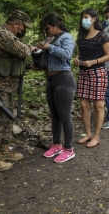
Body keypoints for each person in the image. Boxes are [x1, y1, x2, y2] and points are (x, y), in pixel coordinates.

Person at [0, 10, 36, 171]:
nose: (23, 30)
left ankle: (2, 150)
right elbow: (23, 51)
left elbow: (11, 60)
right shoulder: (1, 34)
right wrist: (33, 47)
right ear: (16, 23)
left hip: (4, 86)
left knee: (6, 119)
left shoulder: (8, 36)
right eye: (23, 27)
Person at [34, 13, 76, 163]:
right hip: (50, 80)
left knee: (65, 116)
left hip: (63, 80)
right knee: (55, 116)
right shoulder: (49, 39)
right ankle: (57, 144)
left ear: (56, 26)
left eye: (48, 28)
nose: (46, 31)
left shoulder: (66, 38)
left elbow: (66, 54)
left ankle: (69, 149)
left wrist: (49, 47)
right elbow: (47, 59)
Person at [73, 8, 109, 148]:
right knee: (84, 106)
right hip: (84, 74)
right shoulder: (81, 37)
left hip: (98, 73)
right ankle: (88, 133)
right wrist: (77, 59)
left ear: (94, 19)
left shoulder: (101, 36)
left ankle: (96, 136)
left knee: (98, 107)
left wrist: (93, 62)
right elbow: (79, 54)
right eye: (83, 18)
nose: (84, 20)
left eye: (87, 17)